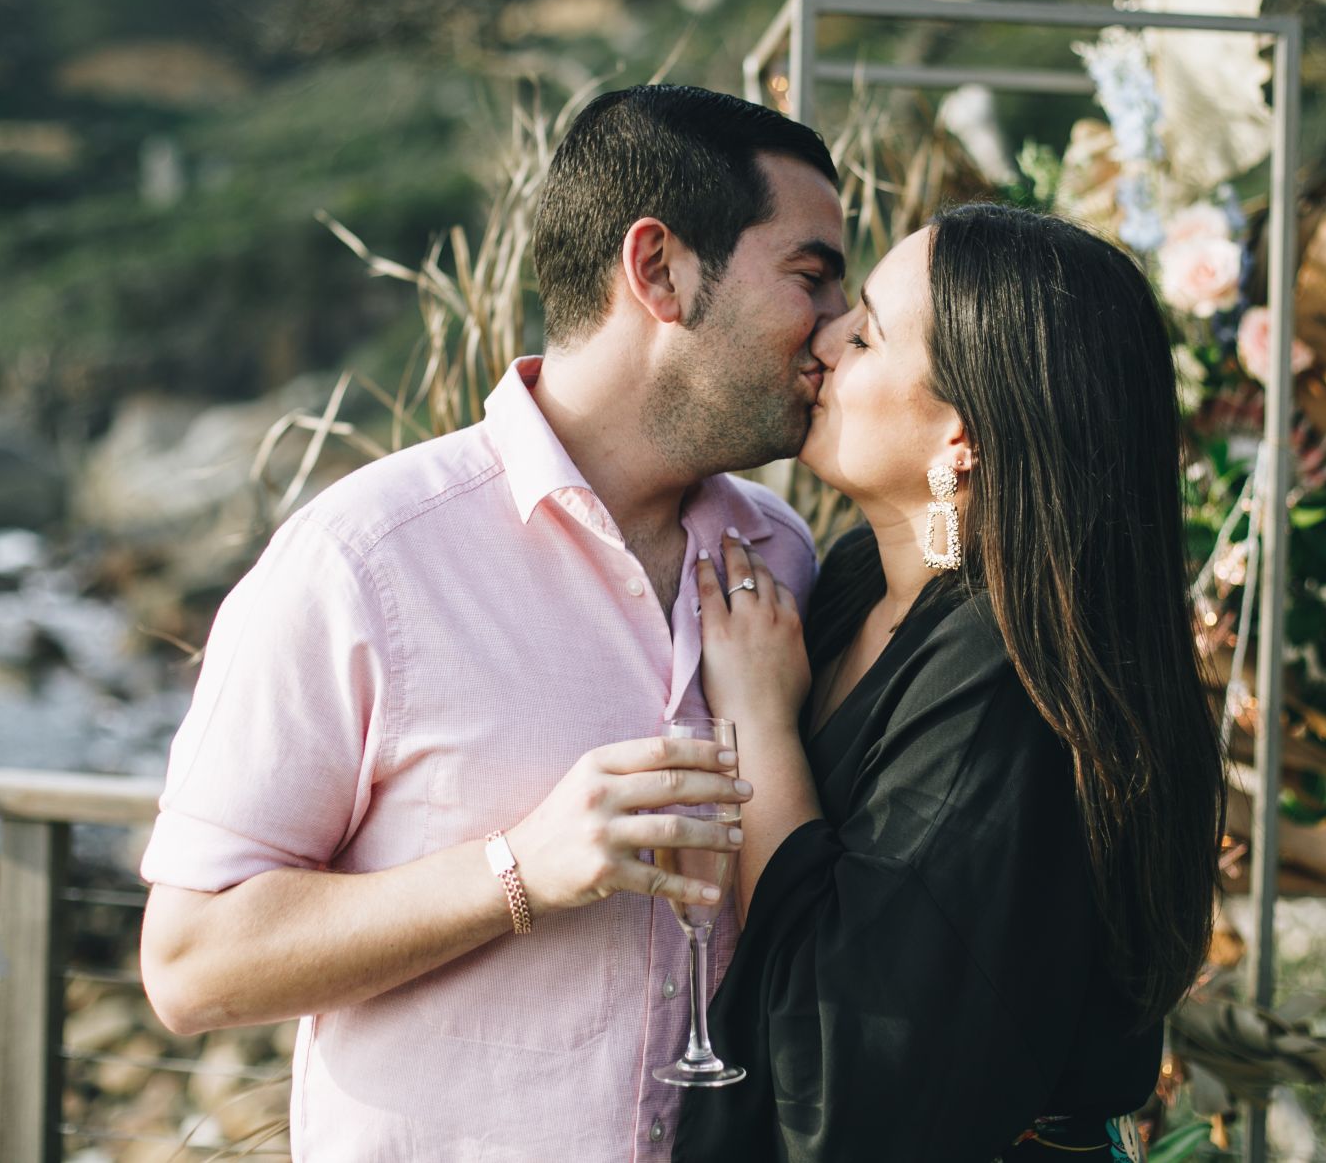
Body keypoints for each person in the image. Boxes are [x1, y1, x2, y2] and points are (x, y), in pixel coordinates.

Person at [136, 84, 849, 1161]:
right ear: (659, 270)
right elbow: (190, 965)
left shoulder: (780, 559)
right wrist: (517, 868)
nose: (836, 329)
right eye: (809, 276)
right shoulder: (364, 563)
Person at [673, 203, 1227, 1163]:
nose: (825, 335)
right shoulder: (846, 581)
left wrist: (760, 721)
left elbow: (854, 1076)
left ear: (960, 437)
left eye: (869, 330)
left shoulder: (1007, 680)